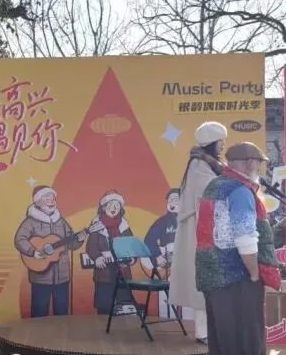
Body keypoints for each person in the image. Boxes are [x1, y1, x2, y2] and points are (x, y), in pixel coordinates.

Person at [195, 142, 284, 355]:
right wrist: (254, 272)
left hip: (212, 276)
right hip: (236, 275)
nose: (259, 168)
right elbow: (245, 236)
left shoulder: (215, 186)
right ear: (248, 163)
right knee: (247, 342)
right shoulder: (241, 191)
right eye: (258, 162)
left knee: (223, 341)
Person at [169, 121, 227, 341]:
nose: (223, 145)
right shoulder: (198, 165)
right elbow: (211, 190)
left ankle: (213, 330)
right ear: (212, 143)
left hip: (210, 228)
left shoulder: (209, 163)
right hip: (199, 229)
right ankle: (203, 332)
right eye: (220, 141)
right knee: (202, 279)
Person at [14, 185, 90, 317]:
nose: (51, 201)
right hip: (40, 277)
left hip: (62, 276)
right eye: (46, 198)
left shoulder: (61, 222)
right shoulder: (30, 222)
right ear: (37, 202)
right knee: (39, 312)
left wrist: (79, 239)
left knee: (61, 312)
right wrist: (33, 252)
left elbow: (71, 245)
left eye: (53, 198)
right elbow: (19, 240)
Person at [82, 190, 135, 315]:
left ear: (121, 209)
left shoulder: (124, 226)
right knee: (104, 306)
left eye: (117, 205)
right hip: (104, 272)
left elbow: (131, 244)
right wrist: (97, 257)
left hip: (122, 272)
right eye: (110, 205)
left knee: (124, 304)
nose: (113, 208)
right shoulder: (96, 225)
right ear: (103, 207)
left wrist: (131, 258)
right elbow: (91, 246)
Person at [143, 189, 181, 319]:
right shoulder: (162, 222)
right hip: (167, 269)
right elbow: (148, 240)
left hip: (185, 265)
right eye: (170, 200)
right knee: (166, 298)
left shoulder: (189, 220)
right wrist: (157, 256)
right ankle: (167, 320)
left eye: (176, 199)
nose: (173, 202)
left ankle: (186, 322)